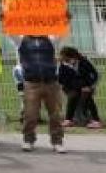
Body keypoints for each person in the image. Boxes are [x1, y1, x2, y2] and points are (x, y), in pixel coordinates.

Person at [9, 20, 67, 153]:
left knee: (55, 114)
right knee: (30, 114)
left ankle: (57, 142)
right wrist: (5, 19)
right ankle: (28, 140)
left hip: (51, 82)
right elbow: (11, 32)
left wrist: (66, 20)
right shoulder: (21, 40)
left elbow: (61, 32)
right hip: (31, 83)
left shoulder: (51, 40)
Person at [58, 46, 102, 129]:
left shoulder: (84, 62)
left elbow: (95, 75)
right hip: (71, 87)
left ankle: (96, 121)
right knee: (73, 95)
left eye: (66, 58)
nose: (65, 60)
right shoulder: (63, 65)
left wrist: (90, 86)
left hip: (86, 86)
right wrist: (71, 87)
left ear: (73, 56)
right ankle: (68, 120)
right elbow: (61, 80)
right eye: (64, 58)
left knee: (87, 95)